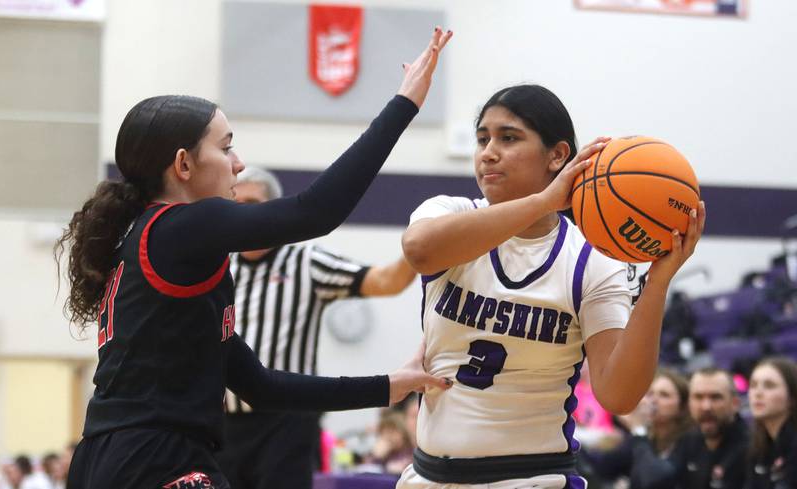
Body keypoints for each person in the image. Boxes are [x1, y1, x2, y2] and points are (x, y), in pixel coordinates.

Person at [55, 28, 453, 489]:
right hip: (155, 459)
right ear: (183, 166)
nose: (239, 163)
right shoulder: (181, 226)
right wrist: (404, 105)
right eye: (225, 148)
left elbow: (259, 386)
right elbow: (317, 211)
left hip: (112, 459)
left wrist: (389, 384)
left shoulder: (159, 242)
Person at [398, 84, 706, 488]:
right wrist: (545, 201)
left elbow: (619, 395)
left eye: (508, 138)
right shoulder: (448, 211)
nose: (488, 151)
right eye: (481, 139)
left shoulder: (591, 258)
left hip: (532, 478)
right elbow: (419, 250)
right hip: (429, 477)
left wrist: (658, 282)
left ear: (558, 155)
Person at [217, 166, 418, 489]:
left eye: (254, 204)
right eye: (237, 205)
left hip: (285, 424)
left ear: (274, 209)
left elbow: (386, 281)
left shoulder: (306, 261)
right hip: (220, 423)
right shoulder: (217, 264)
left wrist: (422, 245)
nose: (246, 216)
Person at [581, 368, 693, 488]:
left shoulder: (689, 440)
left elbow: (654, 478)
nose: (653, 401)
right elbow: (602, 469)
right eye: (650, 394)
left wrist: (638, 429)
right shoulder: (643, 437)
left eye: (664, 395)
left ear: (682, 406)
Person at [747, 357, 797, 489]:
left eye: (769, 386)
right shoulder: (759, 445)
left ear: (791, 397)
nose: (757, 393)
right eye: (753, 385)